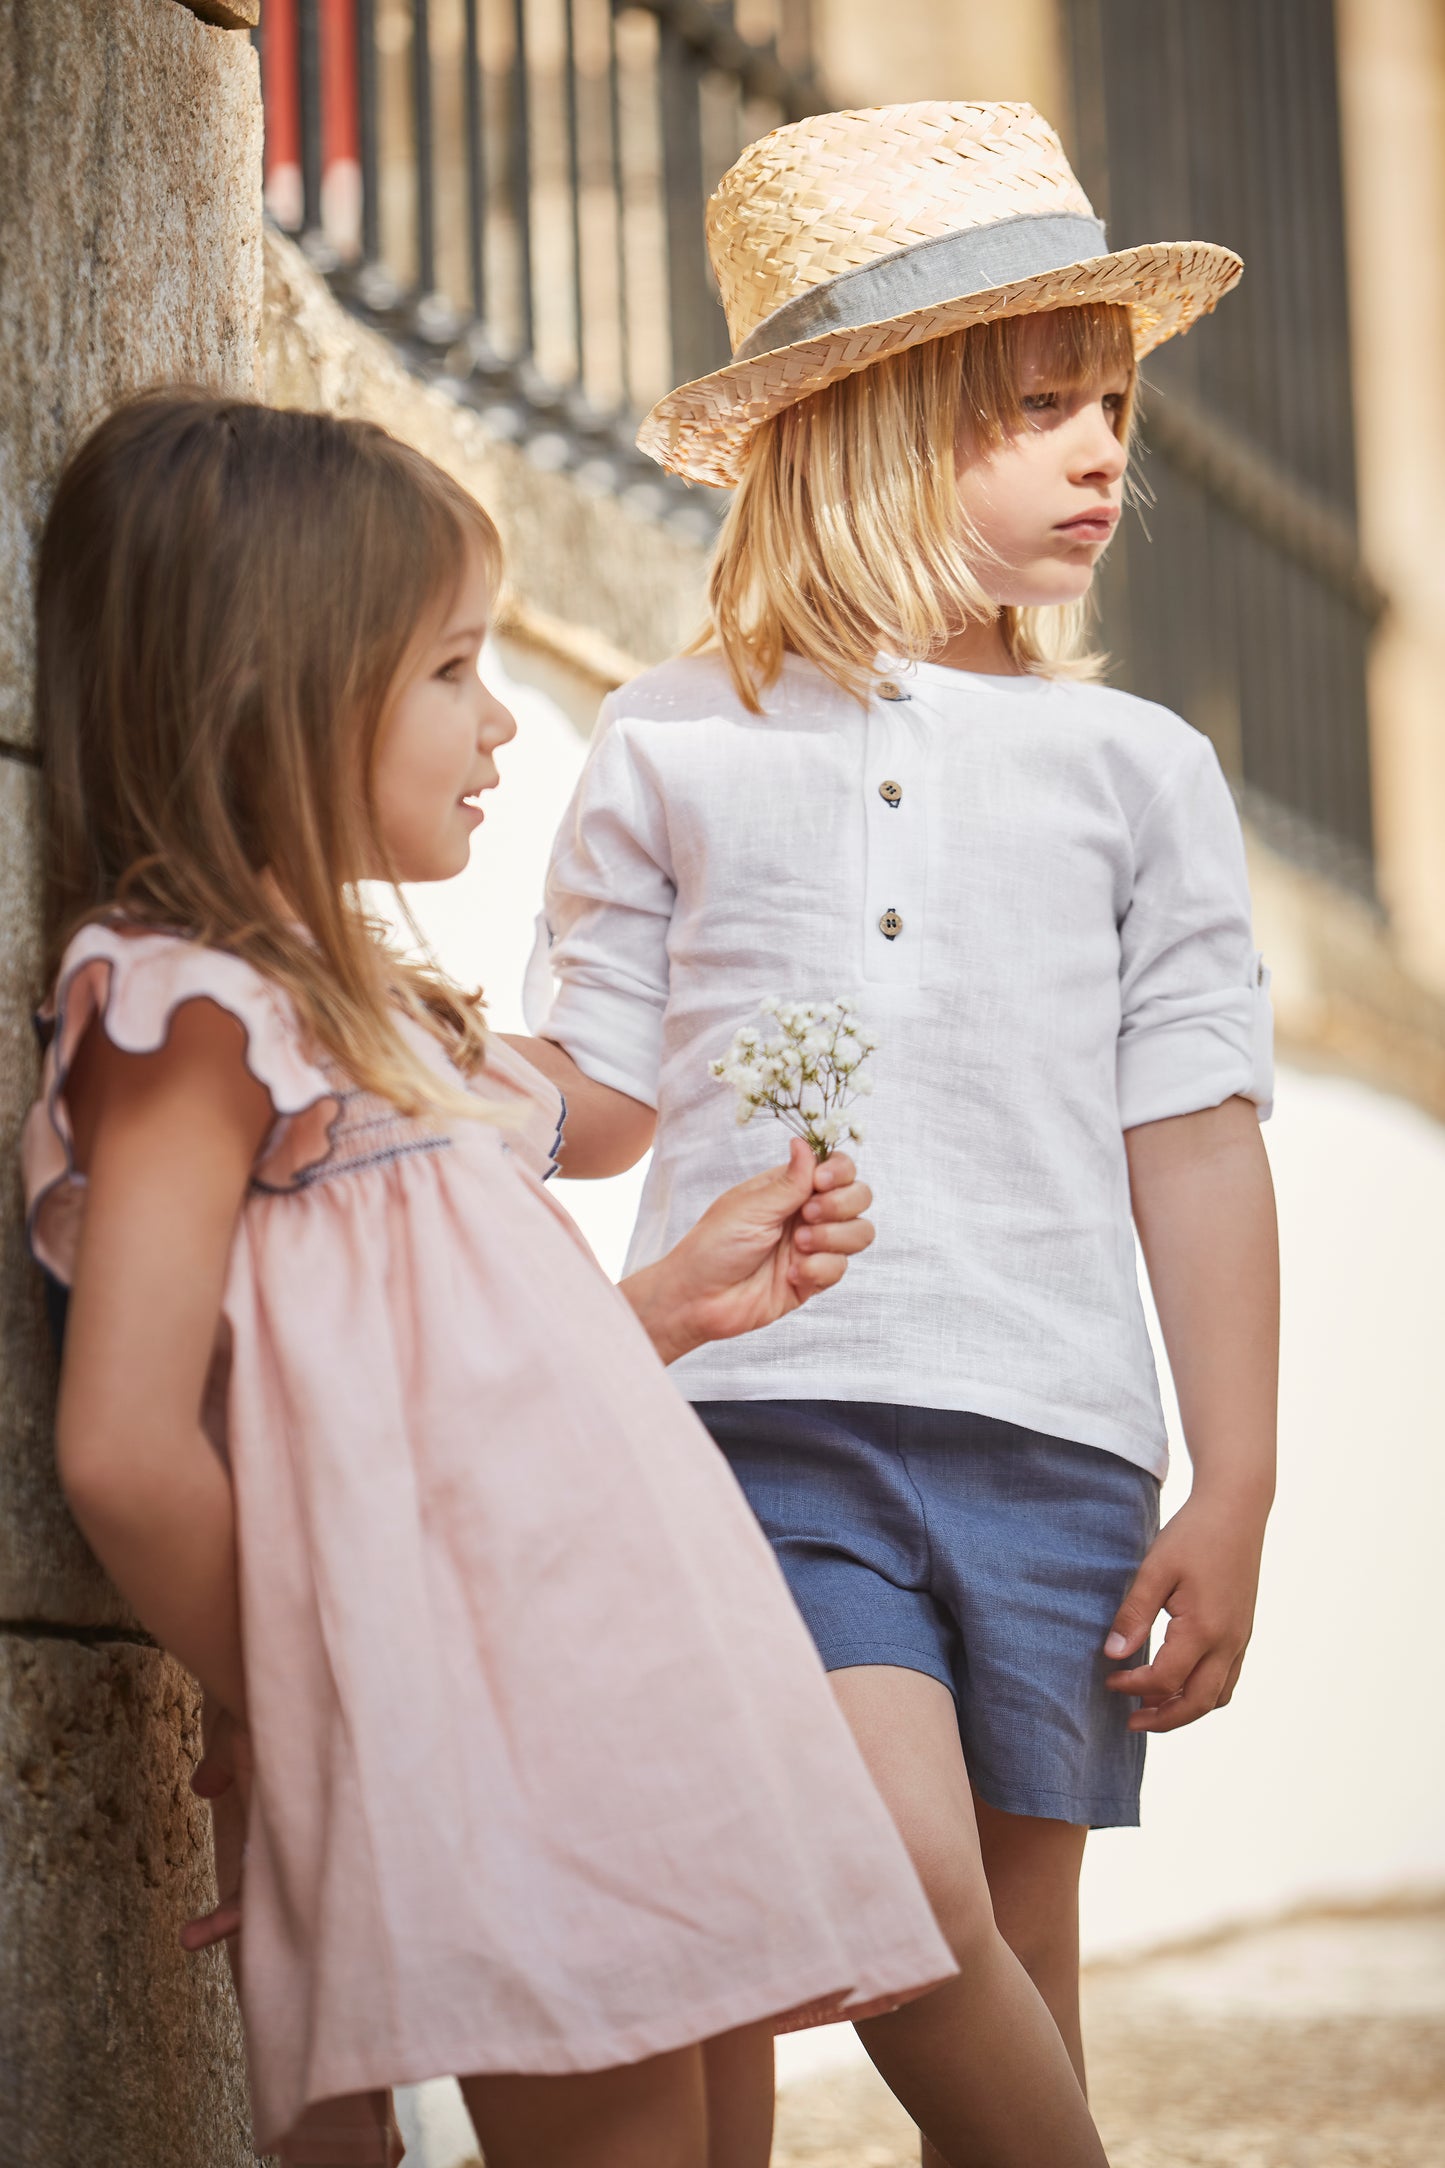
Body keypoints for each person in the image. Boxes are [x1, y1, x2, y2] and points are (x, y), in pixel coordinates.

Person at [20, 390, 956, 2168]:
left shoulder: (381, 1024)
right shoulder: (190, 1014)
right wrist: (319, 1702)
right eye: (452, 669)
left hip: (610, 1672)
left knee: (701, 2122)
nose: (504, 716)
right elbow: (126, 1447)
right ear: (268, 693)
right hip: (487, 1706)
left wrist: (670, 1299)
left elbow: (439, 1390)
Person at [518, 102, 1280, 2168]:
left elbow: (1195, 1132)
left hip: (1058, 1436)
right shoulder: (670, 736)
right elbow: (598, 1093)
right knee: (862, 1889)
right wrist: (458, 1090)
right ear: (863, 427)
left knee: (1017, 1954)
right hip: (769, 1423)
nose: (1108, 450)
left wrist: (1241, 1475)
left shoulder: (1143, 769)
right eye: (1043, 407)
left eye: (1112, 403)